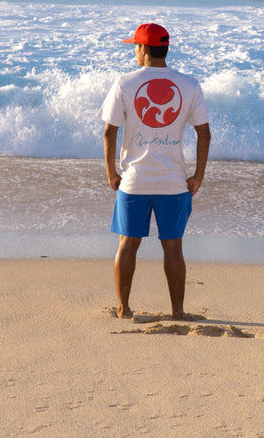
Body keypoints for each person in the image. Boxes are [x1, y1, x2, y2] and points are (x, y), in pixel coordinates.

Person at [99, 22, 211, 319]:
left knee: (127, 245)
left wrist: (112, 173)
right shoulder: (189, 85)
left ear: (145, 49)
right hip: (173, 184)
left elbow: (109, 132)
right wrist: (197, 176)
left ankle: (123, 309)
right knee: (173, 248)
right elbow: (204, 134)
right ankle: (177, 312)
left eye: (135, 46)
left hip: (134, 182)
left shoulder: (125, 82)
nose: (134, 51)